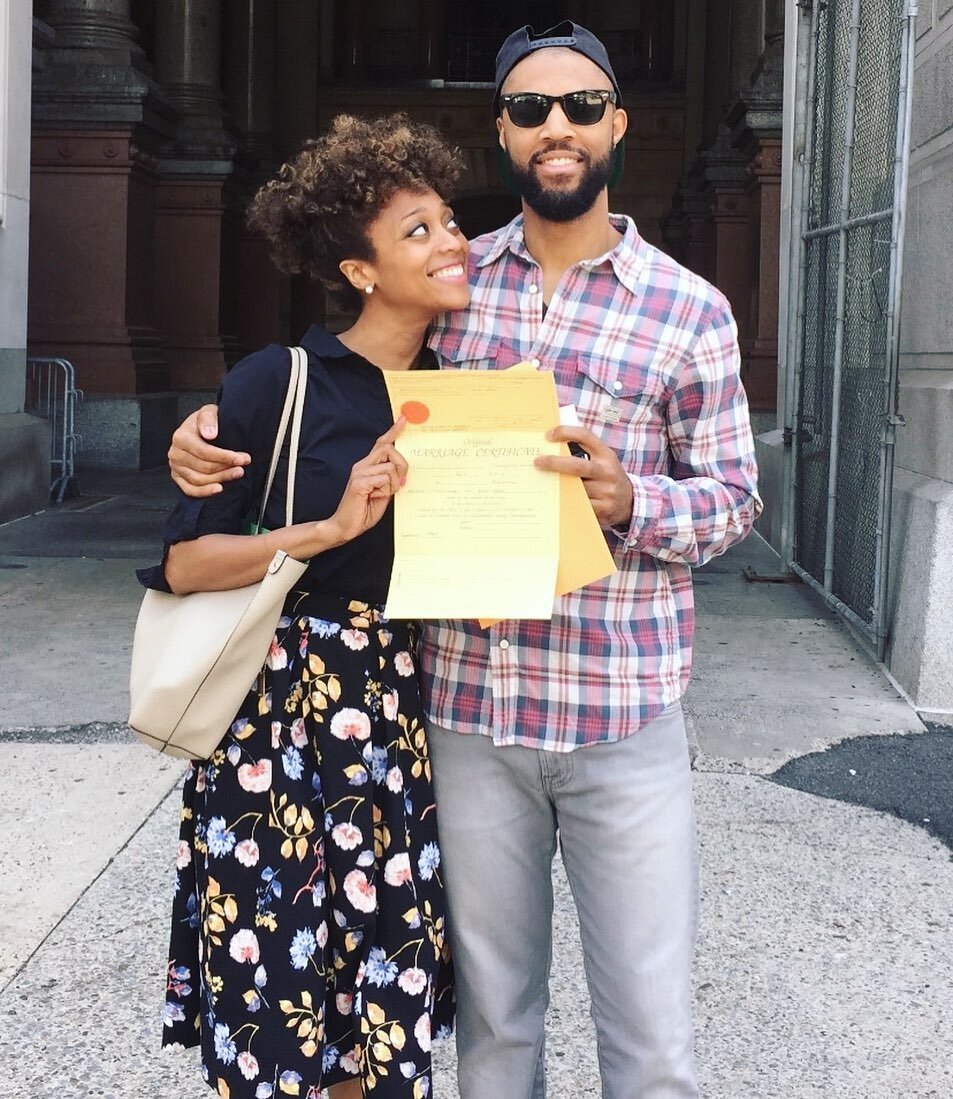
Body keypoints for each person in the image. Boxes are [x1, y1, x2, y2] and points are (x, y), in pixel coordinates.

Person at [168, 21, 762, 1099]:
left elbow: (731, 504)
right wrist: (213, 428)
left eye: (582, 105)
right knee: (493, 1026)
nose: (557, 127)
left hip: (617, 709)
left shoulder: (690, 311)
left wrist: (634, 498)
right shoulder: (448, 284)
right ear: (501, 131)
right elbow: (341, 382)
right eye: (530, 109)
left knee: (652, 1036)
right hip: (463, 713)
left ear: (617, 123)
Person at [145, 113, 468, 1099]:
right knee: (276, 984)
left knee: (380, 999)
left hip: (402, 724)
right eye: (418, 231)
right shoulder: (276, 383)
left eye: (447, 220)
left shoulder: (464, 396)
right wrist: (326, 529)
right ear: (361, 271)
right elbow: (184, 561)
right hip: (274, 727)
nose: (451, 240)